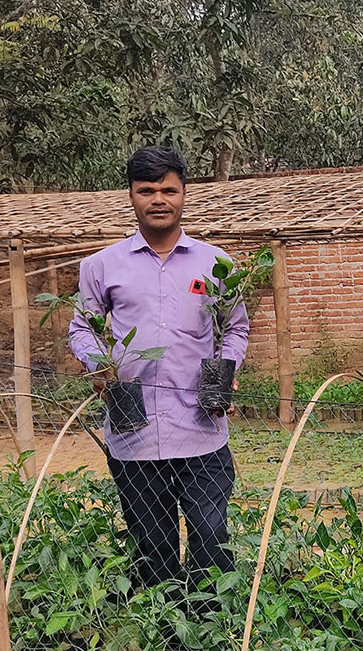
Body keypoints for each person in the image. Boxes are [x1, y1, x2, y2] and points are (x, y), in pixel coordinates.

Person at [69, 146, 248, 587]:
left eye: (168, 190)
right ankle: (163, 618)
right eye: (146, 190)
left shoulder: (215, 263)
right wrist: (98, 366)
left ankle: (211, 618)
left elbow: (236, 327)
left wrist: (227, 367)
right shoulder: (101, 265)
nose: (158, 199)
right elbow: (82, 328)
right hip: (134, 433)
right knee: (152, 546)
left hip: (201, 428)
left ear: (184, 193)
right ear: (131, 195)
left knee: (211, 540)